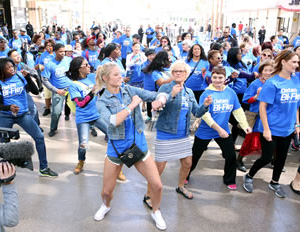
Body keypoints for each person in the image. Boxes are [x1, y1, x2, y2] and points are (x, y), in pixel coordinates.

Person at [93, 63, 167, 230]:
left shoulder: (130, 90)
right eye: (116, 75)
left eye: (120, 74)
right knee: (106, 191)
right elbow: (113, 121)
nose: (121, 77)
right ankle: (106, 205)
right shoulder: (101, 100)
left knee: (157, 185)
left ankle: (156, 211)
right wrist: (132, 105)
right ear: (105, 78)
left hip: (138, 146)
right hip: (116, 150)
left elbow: (156, 94)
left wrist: (160, 100)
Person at [143, 60, 211, 204]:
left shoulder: (189, 91)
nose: (178, 73)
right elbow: (159, 106)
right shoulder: (165, 88)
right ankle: (148, 194)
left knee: (187, 163)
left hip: (183, 135)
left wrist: (205, 106)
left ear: (186, 74)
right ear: (172, 74)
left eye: (181, 71)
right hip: (165, 133)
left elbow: (197, 112)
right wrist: (172, 95)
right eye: (175, 71)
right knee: (159, 168)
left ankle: (180, 186)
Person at [243, 50, 300, 198]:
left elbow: (295, 105)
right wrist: (267, 130)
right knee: (267, 157)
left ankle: (274, 182)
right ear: (283, 62)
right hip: (271, 128)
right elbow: (262, 107)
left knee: (281, 158)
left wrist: (297, 124)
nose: (297, 64)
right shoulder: (272, 82)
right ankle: (249, 176)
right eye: (293, 62)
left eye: (297, 62)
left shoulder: (296, 81)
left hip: (287, 129)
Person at [187, 66, 251, 190]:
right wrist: (219, 129)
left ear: (225, 78)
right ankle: (186, 175)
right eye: (214, 77)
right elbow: (205, 115)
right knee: (195, 156)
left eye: (220, 77)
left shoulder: (230, 92)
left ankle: (229, 180)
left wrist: (245, 126)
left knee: (230, 155)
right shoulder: (206, 93)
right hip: (206, 131)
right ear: (211, 78)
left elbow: (237, 111)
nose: (217, 80)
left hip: (223, 130)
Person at [0, 58, 58, 177]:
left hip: (23, 115)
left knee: (39, 137)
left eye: (12, 66)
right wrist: (9, 108)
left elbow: (35, 91)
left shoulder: (20, 77)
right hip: (6, 117)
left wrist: (27, 77)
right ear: (1, 70)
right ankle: (5, 170)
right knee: (4, 145)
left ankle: (44, 168)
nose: (12, 69)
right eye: (8, 67)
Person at [67, 56, 108, 174]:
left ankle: (114, 162)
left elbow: (103, 84)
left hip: (96, 115)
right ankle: (81, 161)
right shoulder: (74, 85)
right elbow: (80, 103)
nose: (89, 66)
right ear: (79, 69)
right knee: (83, 144)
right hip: (83, 118)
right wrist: (92, 92)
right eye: (86, 65)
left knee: (112, 135)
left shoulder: (91, 77)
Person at [237, 60, 274, 172]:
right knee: (249, 140)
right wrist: (256, 96)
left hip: (272, 118)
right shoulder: (255, 84)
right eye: (265, 70)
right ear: (261, 71)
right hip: (256, 118)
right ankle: (239, 160)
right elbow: (246, 100)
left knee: (273, 141)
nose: (268, 73)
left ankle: (273, 161)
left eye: (270, 70)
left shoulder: (275, 83)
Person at [42, 43, 72, 137]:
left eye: (64, 51)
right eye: (60, 52)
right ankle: (53, 128)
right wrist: (56, 90)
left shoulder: (68, 60)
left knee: (84, 107)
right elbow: (45, 80)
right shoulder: (50, 64)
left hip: (71, 88)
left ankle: (90, 127)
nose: (63, 53)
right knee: (56, 112)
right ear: (55, 52)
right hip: (58, 91)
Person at [34, 38, 56, 116]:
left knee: (55, 94)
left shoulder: (56, 54)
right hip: (46, 77)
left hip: (55, 77)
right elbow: (39, 64)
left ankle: (56, 109)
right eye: (47, 46)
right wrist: (41, 66)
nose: (48, 47)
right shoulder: (43, 54)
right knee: (47, 94)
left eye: (50, 46)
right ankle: (47, 108)